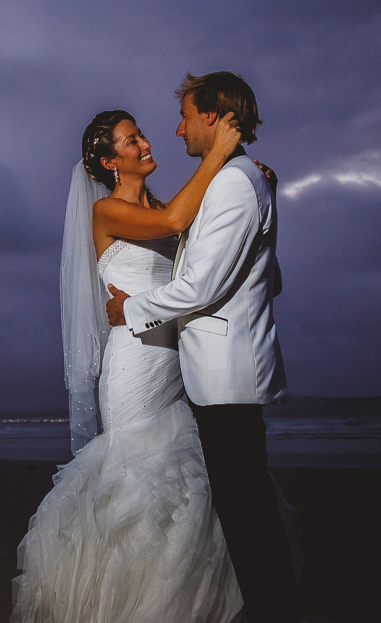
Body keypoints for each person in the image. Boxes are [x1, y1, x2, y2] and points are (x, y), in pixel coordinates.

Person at [13, 105, 245, 623]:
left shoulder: (166, 203)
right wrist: (220, 154)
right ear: (109, 161)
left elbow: (200, 227)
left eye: (141, 134)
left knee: (187, 494)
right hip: (134, 367)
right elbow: (173, 222)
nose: (145, 143)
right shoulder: (108, 213)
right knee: (140, 490)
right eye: (130, 140)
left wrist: (247, 174)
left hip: (174, 369)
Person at [107, 72, 297, 623]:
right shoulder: (232, 181)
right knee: (243, 511)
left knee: (247, 516)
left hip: (227, 372)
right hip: (217, 372)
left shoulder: (237, 183)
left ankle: (273, 611)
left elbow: (202, 286)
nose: (177, 128)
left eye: (187, 116)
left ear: (212, 117)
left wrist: (130, 310)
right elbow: (264, 277)